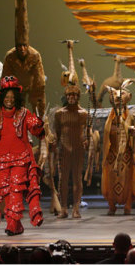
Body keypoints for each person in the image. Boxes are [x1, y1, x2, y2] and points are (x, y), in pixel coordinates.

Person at [0, 76, 44, 236]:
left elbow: (38, 131)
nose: (9, 100)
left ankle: (12, 225)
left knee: (15, 189)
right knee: (6, 192)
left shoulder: (24, 113)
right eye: (7, 97)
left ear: (17, 98)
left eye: (12, 98)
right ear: (2, 98)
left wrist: (39, 124)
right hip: (0, 160)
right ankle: (16, 224)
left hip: (21, 158)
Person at [102, 84, 135, 215]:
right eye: (115, 95)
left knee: (127, 178)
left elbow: (134, 130)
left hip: (126, 154)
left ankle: (128, 204)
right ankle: (111, 204)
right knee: (111, 178)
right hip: (112, 153)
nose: (118, 97)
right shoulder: (110, 118)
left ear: (128, 97)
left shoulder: (131, 116)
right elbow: (108, 133)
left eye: (122, 94)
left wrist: (131, 129)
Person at [54, 84, 88, 218]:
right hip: (64, 148)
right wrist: (54, 145)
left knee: (77, 179)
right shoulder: (59, 113)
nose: (71, 98)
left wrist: (87, 141)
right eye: (68, 95)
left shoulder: (83, 113)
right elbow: (56, 132)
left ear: (78, 96)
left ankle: (76, 207)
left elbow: (87, 132)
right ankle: (63, 208)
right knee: (63, 179)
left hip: (78, 149)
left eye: (73, 95)